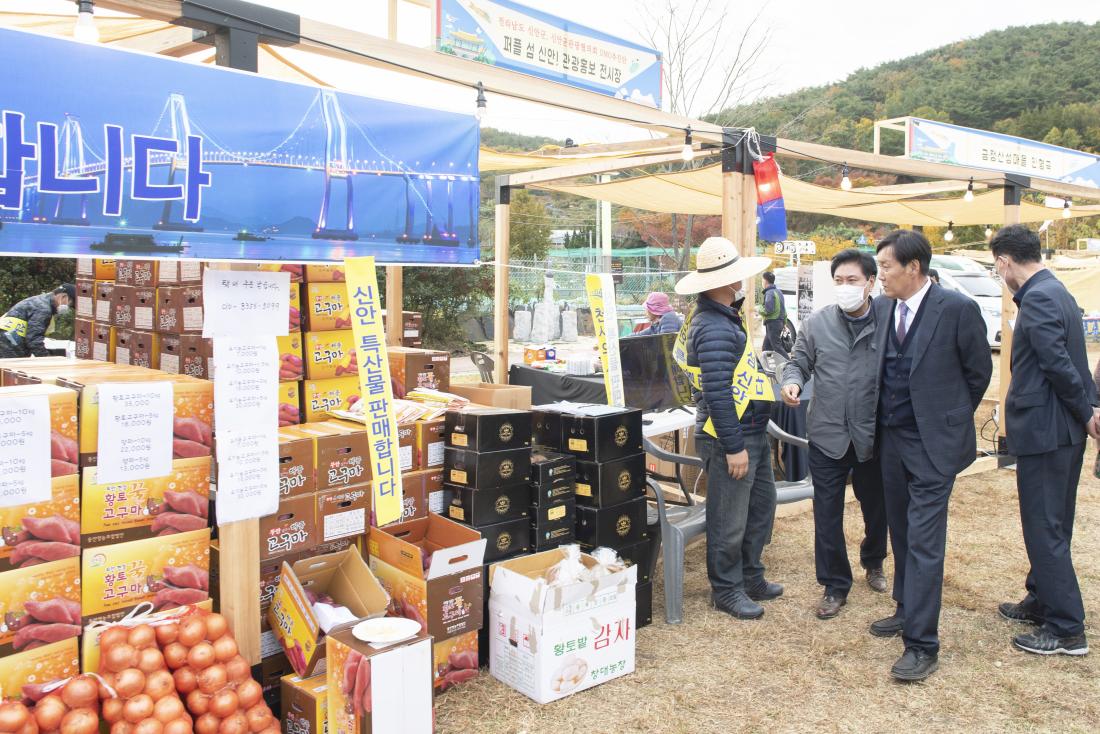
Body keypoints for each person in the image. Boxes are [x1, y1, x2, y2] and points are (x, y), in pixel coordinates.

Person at [870, 229, 991, 681]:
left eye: (886, 267)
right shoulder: (884, 308)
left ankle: (922, 644)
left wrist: (947, 419)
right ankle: (906, 606)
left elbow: (978, 373)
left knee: (924, 540)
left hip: (933, 446)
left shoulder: (957, 309)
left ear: (914, 267)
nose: (880, 275)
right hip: (891, 440)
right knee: (900, 530)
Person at [992, 224, 1097, 656]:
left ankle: (1066, 628)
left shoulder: (1038, 297)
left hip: (1047, 430)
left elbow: (1057, 363)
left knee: (1043, 526)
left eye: (996, 265)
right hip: (1060, 430)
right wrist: (1088, 408)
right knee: (1054, 521)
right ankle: (1041, 597)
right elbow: (1075, 360)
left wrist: (1086, 411)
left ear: (1004, 262)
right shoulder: (1057, 290)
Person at [673, 237, 779, 620]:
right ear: (724, 281)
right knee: (729, 519)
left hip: (748, 430)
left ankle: (750, 575)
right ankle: (727, 589)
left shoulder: (721, 317)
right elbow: (717, 392)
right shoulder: (714, 325)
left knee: (761, 506)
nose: (741, 282)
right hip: (729, 436)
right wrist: (734, 446)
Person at [780, 249, 889, 621]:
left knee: (877, 507)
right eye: (839, 280)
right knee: (827, 514)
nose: (845, 287)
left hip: (872, 435)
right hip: (827, 433)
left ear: (870, 282)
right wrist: (793, 382)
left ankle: (874, 560)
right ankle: (834, 584)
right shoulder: (817, 323)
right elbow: (798, 362)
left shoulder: (889, 321)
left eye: (852, 280)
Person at [0, 285, 74, 359]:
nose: (69, 307)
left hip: (9, 337)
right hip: (10, 339)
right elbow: (34, 339)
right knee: (13, 365)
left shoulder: (42, 301)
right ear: (63, 297)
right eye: (70, 303)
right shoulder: (43, 308)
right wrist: (47, 359)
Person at [759, 271, 789, 358]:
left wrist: (758, 308)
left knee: (777, 347)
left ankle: (790, 364)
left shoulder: (769, 293)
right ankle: (767, 365)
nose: (762, 282)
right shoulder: (779, 292)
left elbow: (768, 310)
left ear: (765, 281)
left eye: (762, 280)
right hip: (778, 323)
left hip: (773, 323)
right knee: (766, 348)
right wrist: (784, 323)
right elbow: (784, 309)